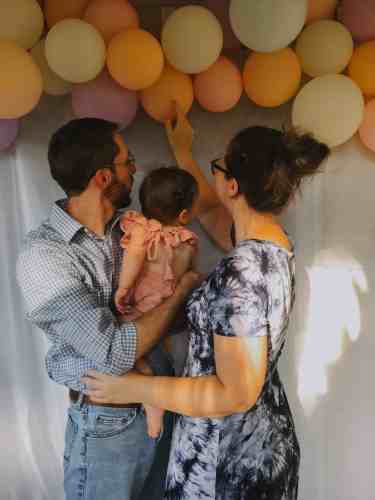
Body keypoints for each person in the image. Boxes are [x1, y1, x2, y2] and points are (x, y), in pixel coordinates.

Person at [82, 108, 331, 499]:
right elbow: (214, 211)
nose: (213, 178)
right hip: (257, 442)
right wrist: (184, 153)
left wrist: (132, 388)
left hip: (226, 463)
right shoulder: (272, 243)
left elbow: (233, 394)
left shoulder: (243, 271)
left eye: (218, 167)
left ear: (233, 185)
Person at [16, 118, 199, 500]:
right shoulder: (45, 254)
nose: (135, 169)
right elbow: (113, 353)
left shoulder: (134, 231)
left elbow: (170, 320)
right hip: (108, 426)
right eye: (127, 161)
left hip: (163, 400)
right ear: (102, 177)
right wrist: (181, 288)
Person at [115, 167, 199, 439]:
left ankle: (150, 396)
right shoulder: (185, 239)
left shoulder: (142, 230)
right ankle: (156, 396)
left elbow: (135, 256)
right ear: (184, 215)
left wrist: (124, 287)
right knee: (162, 347)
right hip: (169, 307)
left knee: (131, 352)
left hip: (142, 304)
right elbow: (188, 273)